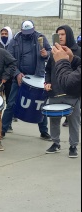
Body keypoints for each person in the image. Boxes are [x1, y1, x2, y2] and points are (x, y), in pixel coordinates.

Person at [1, 20, 52, 140]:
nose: (27, 34)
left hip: (37, 76)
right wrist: (17, 74)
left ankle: (44, 131)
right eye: (25, 31)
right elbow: (9, 60)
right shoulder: (15, 40)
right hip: (19, 77)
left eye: (30, 31)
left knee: (40, 104)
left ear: (34, 28)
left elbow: (50, 52)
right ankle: (2, 129)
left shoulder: (41, 37)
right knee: (11, 103)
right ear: (21, 30)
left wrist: (46, 54)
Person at [44, 25, 81, 158]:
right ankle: (55, 143)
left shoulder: (78, 51)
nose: (60, 37)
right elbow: (48, 70)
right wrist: (47, 82)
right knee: (54, 120)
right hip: (55, 92)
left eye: (63, 34)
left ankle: (73, 145)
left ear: (69, 35)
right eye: (58, 34)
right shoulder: (55, 51)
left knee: (74, 121)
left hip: (72, 94)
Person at [0, 26, 16, 131]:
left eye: (6, 34)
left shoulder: (13, 46)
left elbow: (13, 63)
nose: (4, 36)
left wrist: (7, 75)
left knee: (9, 101)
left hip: (10, 79)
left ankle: (8, 123)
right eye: (2, 34)